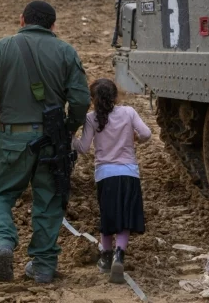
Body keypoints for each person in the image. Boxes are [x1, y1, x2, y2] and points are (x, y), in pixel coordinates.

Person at [0, 0, 91, 283]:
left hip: (11, 137)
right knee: (49, 201)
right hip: (52, 140)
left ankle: (3, 243)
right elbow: (80, 100)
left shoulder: (0, 48)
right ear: (53, 25)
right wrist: (69, 129)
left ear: (22, 19)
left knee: (0, 195)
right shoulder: (66, 51)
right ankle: (43, 266)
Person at [72, 78, 151, 284]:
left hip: (105, 175)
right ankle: (119, 255)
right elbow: (147, 134)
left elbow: (83, 148)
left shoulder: (91, 119)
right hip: (129, 173)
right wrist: (135, 139)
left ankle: (105, 258)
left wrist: (70, 136)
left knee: (108, 216)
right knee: (125, 217)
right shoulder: (129, 112)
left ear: (93, 100)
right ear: (116, 97)